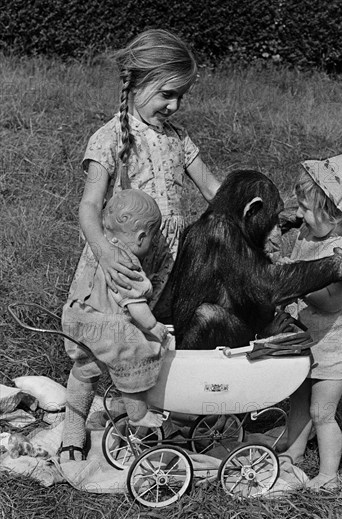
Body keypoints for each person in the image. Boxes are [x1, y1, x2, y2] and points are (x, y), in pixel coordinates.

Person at [78, 28, 220, 323]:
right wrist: (104, 252)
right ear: (135, 82)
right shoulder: (109, 138)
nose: (175, 106)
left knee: (163, 325)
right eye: (167, 95)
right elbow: (90, 206)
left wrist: (252, 209)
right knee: (119, 326)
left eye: (181, 96)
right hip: (127, 253)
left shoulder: (179, 138)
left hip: (173, 253)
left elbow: (211, 189)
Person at [281, 153, 342, 490]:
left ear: (334, 214)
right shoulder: (309, 233)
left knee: (323, 412)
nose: (300, 214)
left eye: (306, 208)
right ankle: (291, 456)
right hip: (306, 335)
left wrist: (294, 280)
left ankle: (329, 475)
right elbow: (296, 260)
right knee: (299, 400)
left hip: (334, 342)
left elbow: (332, 302)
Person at [60, 189, 171, 462]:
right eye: (152, 238)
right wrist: (153, 327)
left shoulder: (96, 248)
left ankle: (72, 438)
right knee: (134, 356)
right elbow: (134, 304)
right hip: (106, 326)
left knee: (84, 370)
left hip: (76, 319)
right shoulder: (125, 260)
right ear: (141, 237)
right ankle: (138, 413)